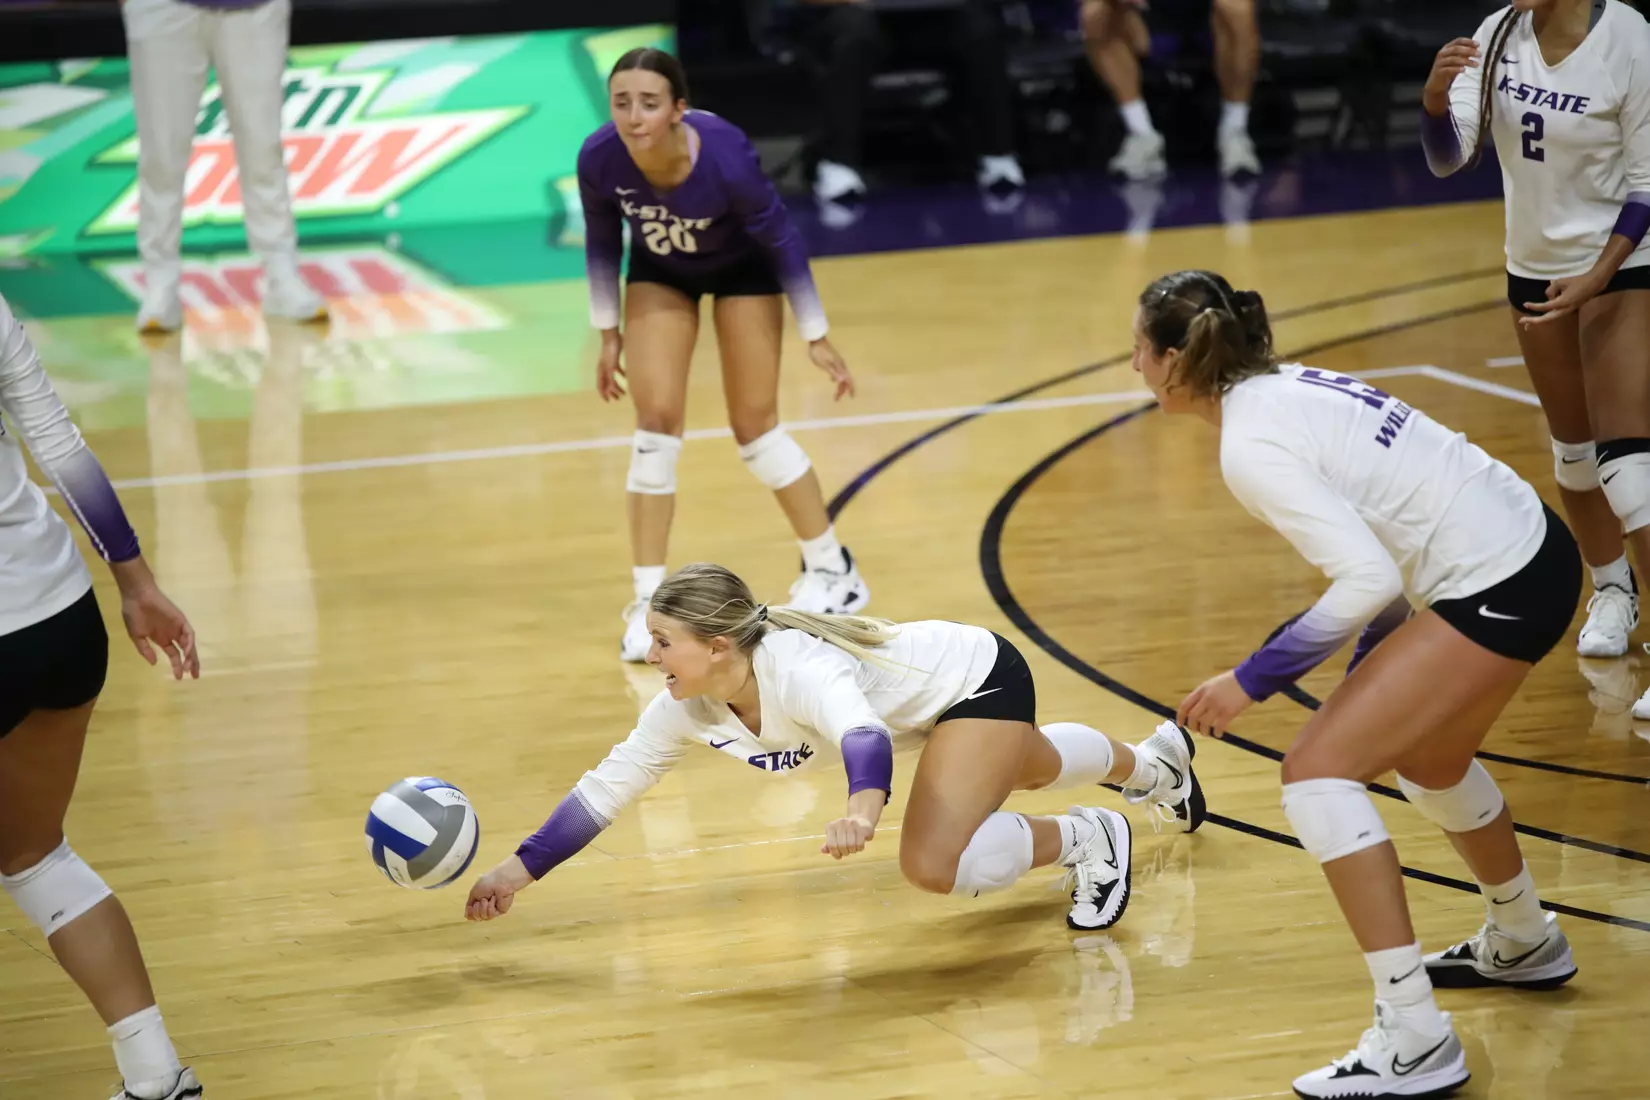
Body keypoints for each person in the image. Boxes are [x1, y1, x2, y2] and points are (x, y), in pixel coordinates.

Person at [1136, 271, 1578, 1099]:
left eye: (1136, 350)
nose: (1131, 367)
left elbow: (1367, 576)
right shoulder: (1281, 386)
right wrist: (1379, 648)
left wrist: (1250, 680)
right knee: (1430, 762)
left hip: (1496, 581)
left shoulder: (1249, 444)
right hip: (1527, 550)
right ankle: (1524, 937)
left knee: (1313, 775)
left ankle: (1415, 1037)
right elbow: (1394, 520)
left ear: (1172, 363)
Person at [463, 562, 1207, 931]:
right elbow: (606, 789)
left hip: (976, 677)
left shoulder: (797, 666)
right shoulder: (686, 707)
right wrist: (514, 871)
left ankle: (1089, 837)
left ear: (719, 647)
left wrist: (862, 804)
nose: (651, 656)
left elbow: (861, 731)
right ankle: (1155, 765)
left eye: (664, 642)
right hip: (938, 701)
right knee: (1035, 764)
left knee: (928, 862)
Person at [580, 48, 872, 663]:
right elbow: (604, 239)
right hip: (662, 271)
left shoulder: (727, 155)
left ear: (679, 109)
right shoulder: (599, 157)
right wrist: (608, 330)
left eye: (650, 103)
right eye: (622, 102)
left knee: (755, 430)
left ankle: (834, 570)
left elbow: (784, 239)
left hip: (746, 270)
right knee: (654, 425)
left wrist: (815, 334)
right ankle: (646, 604)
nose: (633, 116)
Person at [0, 291, 204, 1099]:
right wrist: (137, 582)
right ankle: (156, 1077)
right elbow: (57, 443)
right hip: (57, 617)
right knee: (33, 856)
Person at [1422, 0, 1650, 671]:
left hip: (1623, 262)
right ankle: (1613, 590)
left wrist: (1597, 276)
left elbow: (1647, 184)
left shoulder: (1629, 37)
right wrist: (1435, 101)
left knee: (1630, 468)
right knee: (1575, 460)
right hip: (1534, 270)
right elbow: (1448, 158)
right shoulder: (1495, 35)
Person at [120, 0, 327, 332]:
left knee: (263, 145)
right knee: (161, 151)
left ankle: (281, 274)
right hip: (162, 7)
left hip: (255, 6)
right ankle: (160, 285)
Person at [791, 0, 1026, 203]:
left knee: (980, 30)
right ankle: (838, 164)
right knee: (856, 35)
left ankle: (998, 156)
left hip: (934, 16)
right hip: (857, 15)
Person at [1079, 0, 1262, 179]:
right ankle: (1142, 134)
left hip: (1208, 17)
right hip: (1145, 17)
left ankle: (1234, 132)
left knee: (1238, 5)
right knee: (1095, 11)